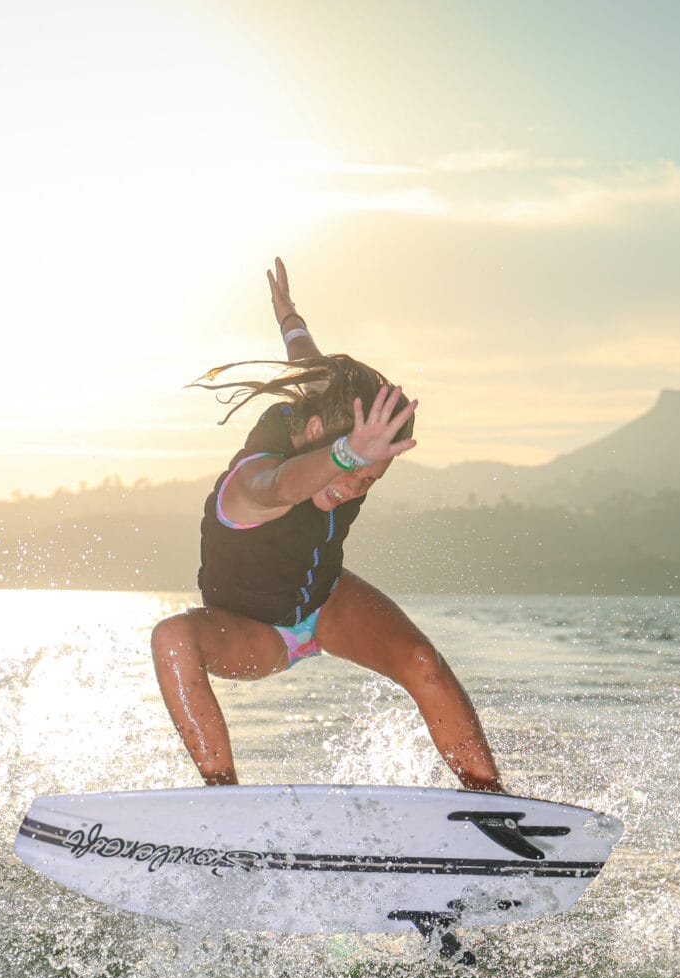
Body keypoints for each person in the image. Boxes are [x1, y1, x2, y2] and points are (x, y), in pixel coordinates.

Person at [150, 258, 504, 793]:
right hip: (253, 631)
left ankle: (492, 807)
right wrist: (344, 455)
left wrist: (291, 320)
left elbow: (313, 371)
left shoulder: (324, 415)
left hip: (326, 601)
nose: (356, 486)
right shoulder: (252, 486)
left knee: (422, 661)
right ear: (318, 435)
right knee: (173, 637)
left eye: (370, 479)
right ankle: (221, 799)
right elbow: (284, 486)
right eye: (352, 470)